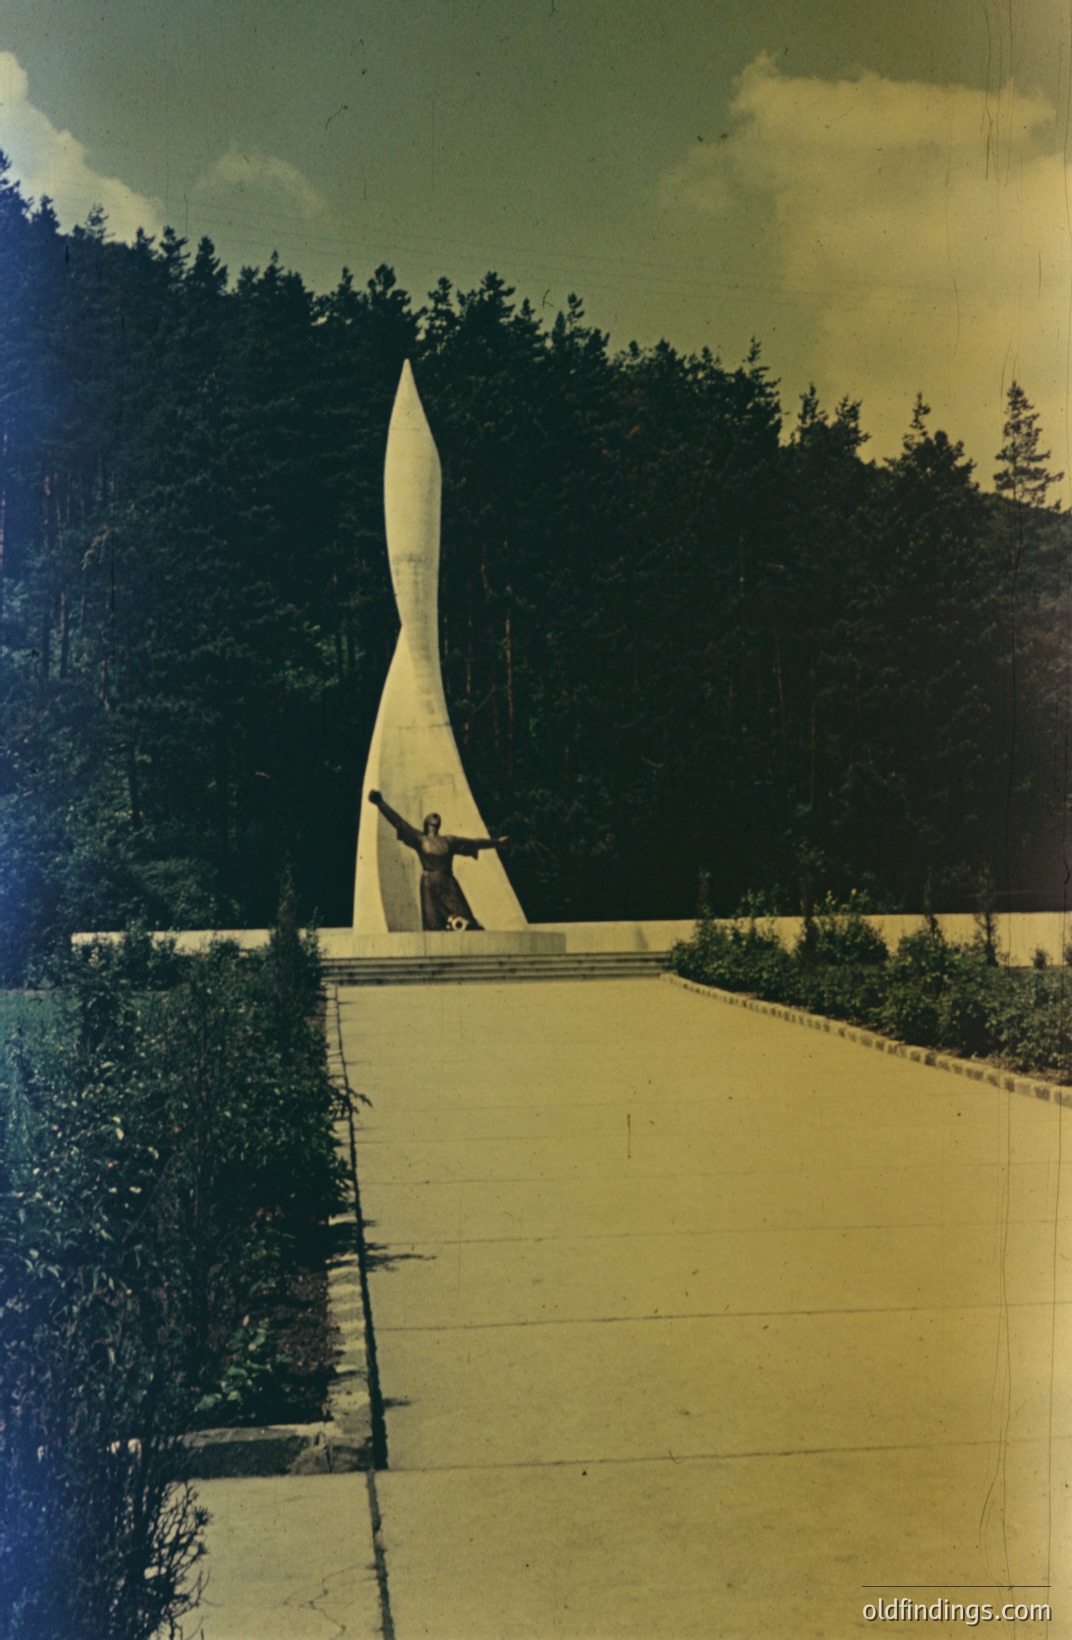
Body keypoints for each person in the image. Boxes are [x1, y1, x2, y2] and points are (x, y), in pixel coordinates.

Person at [368, 789, 508, 931]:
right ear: (426, 822)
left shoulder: (449, 840)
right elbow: (399, 822)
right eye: (432, 817)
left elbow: (473, 842)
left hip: (448, 882)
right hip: (429, 883)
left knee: (468, 922)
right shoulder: (419, 838)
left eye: (437, 817)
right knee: (433, 925)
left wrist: (497, 842)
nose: (435, 817)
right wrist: (380, 803)